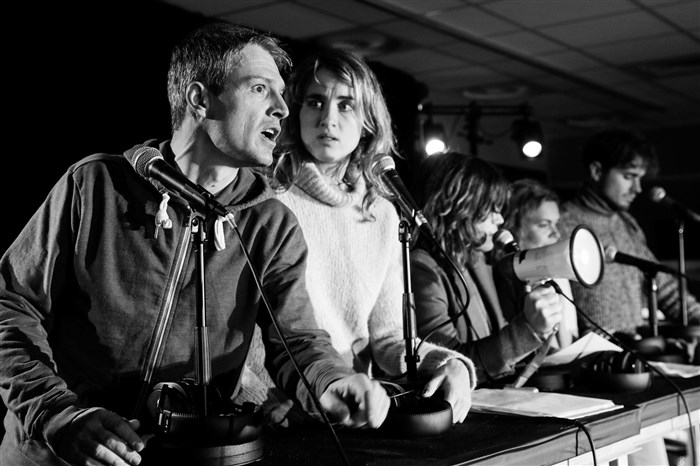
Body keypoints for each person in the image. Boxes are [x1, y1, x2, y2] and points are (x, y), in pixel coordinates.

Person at [0, 21, 392, 466]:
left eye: (282, 94)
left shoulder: (270, 223)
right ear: (200, 100)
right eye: (260, 89)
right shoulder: (95, 186)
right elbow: (10, 305)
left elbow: (297, 341)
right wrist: (57, 414)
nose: (283, 108)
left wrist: (330, 380)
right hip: (56, 453)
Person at [240, 46, 476, 427]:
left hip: (352, 410)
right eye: (315, 102)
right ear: (295, 111)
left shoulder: (381, 213)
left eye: (346, 105)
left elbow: (389, 338)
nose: (328, 119)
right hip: (274, 413)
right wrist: (262, 402)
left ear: (368, 121)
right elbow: (245, 331)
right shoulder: (266, 198)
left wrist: (447, 363)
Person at [409, 153, 564, 384]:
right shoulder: (422, 269)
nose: (500, 219)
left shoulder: (477, 261)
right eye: (491, 209)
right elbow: (450, 364)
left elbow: (494, 344)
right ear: (457, 209)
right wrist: (527, 330)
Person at [557, 129, 700, 337]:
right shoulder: (561, 224)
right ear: (597, 171)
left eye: (639, 178)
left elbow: (664, 287)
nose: (637, 188)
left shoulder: (626, 223)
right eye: (628, 177)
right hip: (591, 354)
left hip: (634, 351)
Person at [495, 178, 579, 348]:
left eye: (556, 224)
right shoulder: (502, 281)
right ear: (515, 228)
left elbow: (566, 343)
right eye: (543, 225)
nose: (556, 234)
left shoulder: (558, 275)